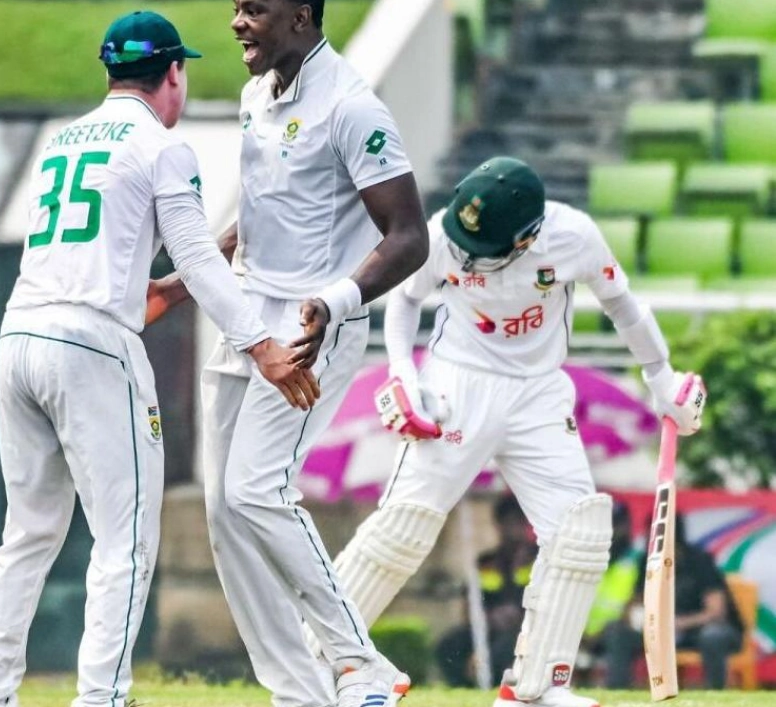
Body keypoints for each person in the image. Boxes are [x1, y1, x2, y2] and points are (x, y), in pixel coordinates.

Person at [0, 11, 320, 707]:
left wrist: (205, 258)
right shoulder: (161, 146)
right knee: (125, 541)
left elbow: (141, 279)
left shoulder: (64, 140)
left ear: (108, 72)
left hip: (22, 337)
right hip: (93, 351)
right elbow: (186, 258)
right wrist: (264, 347)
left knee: (27, 535)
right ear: (173, 74)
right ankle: (101, 697)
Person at [323, 156, 707, 707]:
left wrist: (662, 379)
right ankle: (326, 662)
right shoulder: (443, 236)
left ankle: (534, 689)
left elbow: (622, 303)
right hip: (458, 385)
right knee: (403, 527)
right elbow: (404, 303)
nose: (467, 255)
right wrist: (404, 376)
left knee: (580, 533)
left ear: (527, 237)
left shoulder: (572, 237)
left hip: (538, 391)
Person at [148, 2, 430, 705]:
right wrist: (183, 284)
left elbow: (408, 235)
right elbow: (261, 218)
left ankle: (361, 662)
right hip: (246, 317)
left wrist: (335, 300)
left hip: (312, 330)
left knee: (254, 489)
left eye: (256, 9)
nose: (238, 21)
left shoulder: (353, 107)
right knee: (223, 509)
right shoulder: (256, 94)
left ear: (302, 16)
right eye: (236, 7)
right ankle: (298, 690)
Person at [602, 512, 745, 690]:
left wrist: (679, 623)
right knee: (617, 631)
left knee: (713, 635)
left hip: (700, 630)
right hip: (661, 630)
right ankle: (618, 691)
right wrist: (637, 618)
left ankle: (715, 692)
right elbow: (637, 601)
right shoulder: (646, 562)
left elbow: (716, 612)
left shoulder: (699, 561)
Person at [435, 495, 537, 688]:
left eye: (518, 523)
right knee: (449, 645)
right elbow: (469, 604)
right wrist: (488, 620)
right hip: (488, 627)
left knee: (503, 648)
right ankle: (463, 687)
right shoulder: (486, 562)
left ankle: (498, 687)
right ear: (498, 525)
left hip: (524, 630)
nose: (512, 530)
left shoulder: (537, 560)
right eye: (508, 523)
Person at [578, 499, 642, 688]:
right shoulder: (586, 559)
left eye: (617, 523)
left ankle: (617, 689)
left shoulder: (637, 559)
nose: (613, 530)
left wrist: (597, 633)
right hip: (583, 631)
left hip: (625, 630)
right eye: (607, 524)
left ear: (626, 526)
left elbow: (637, 603)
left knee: (617, 633)